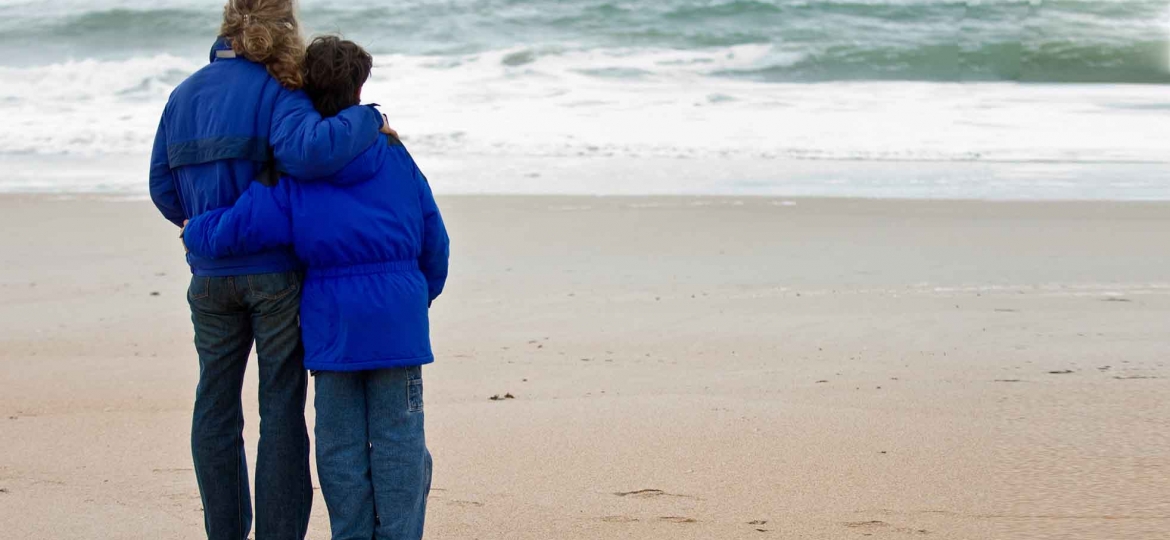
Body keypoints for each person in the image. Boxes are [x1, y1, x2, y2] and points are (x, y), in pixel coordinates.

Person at [182, 36, 450, 540]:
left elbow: (240, 226)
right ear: (360, 86)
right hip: (397, 321)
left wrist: (193, 230)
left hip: (332, 329)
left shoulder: (294, 173)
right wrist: (417, 296)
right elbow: (434, 239)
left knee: (340, 449)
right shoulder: (395, 154)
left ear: (304, 88)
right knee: (400, 442)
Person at [148, 2, 394, 539]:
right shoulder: (282, 88)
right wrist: (369, 117)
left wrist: (202, 228)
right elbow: (305, 157)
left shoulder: (182, 94)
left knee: (215, 401)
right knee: (280, 407)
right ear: (285, 25)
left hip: (209, 276)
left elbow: (163, 190)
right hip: (275, 275)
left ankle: (225, 532)